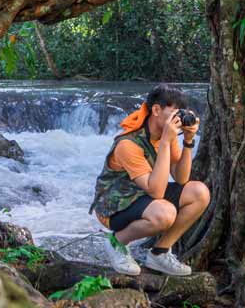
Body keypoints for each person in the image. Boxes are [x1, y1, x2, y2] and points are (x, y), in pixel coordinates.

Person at [88, 84, 210, 276]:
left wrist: (187, 141)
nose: (177, 119)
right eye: (174, 113)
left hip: (144, 193)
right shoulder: (128, 143)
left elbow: (181, 177)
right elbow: (157, 192)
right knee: (165, 213)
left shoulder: (166, 136)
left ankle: (159, 253)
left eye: (180, 114)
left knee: (199, 193)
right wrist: (165, 142)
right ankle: (116, 242)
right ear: (156, 110)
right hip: (113, 204)